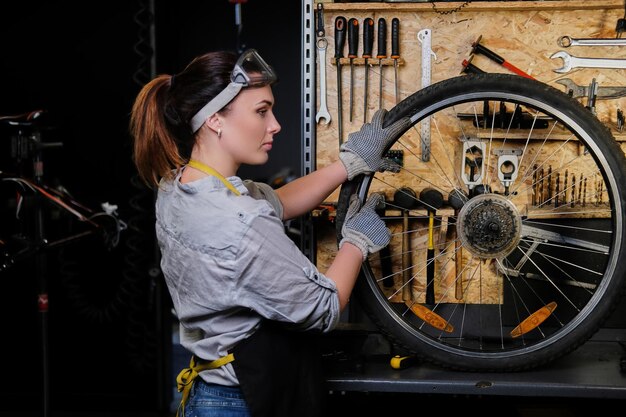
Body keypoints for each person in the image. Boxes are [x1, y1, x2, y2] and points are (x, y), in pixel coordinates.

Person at [130, 48, 410, 417]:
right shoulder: (240, 222)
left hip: (209, 394)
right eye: (261, 111)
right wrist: (355, 243)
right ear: (215, 119)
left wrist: (347, 164)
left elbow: (274, 201)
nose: (275, 124)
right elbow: (324, 308)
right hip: (241, 403)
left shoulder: (179, 186)